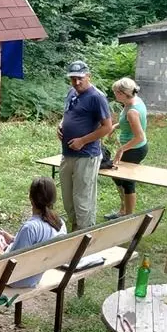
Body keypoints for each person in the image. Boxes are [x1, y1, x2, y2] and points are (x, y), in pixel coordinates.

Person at [57, 61, 113, 231]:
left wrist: (82, 141)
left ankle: (85, 233)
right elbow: (68, 114)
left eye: (80, 78)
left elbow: (107, 127)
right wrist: (61, 125)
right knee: (67, 196)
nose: (76, 82)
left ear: (88, 76)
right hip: (67, 153)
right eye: (73, 78)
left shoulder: (97, 97)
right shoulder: (71, 92)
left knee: (82, 198)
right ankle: (75, 228)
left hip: (86, 155)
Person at [0, 177, 66, 287]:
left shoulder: (30, 228)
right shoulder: (60, 223)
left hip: (19, 279)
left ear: (31, 198)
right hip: (38, 271)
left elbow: (11, 264)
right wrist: (14, 239)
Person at [106, 77, 149, 219]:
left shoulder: (132, 111)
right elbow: (127, 122)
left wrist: (121, 149)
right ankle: (123, 211)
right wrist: (115, 126)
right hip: (131, 148)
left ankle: (128, 217)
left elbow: (139, 137)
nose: (114, 94)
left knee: (127, 181)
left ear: (123, 93)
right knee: (117, 177)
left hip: (134, 150)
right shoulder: (133, 101)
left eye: (116, 92)